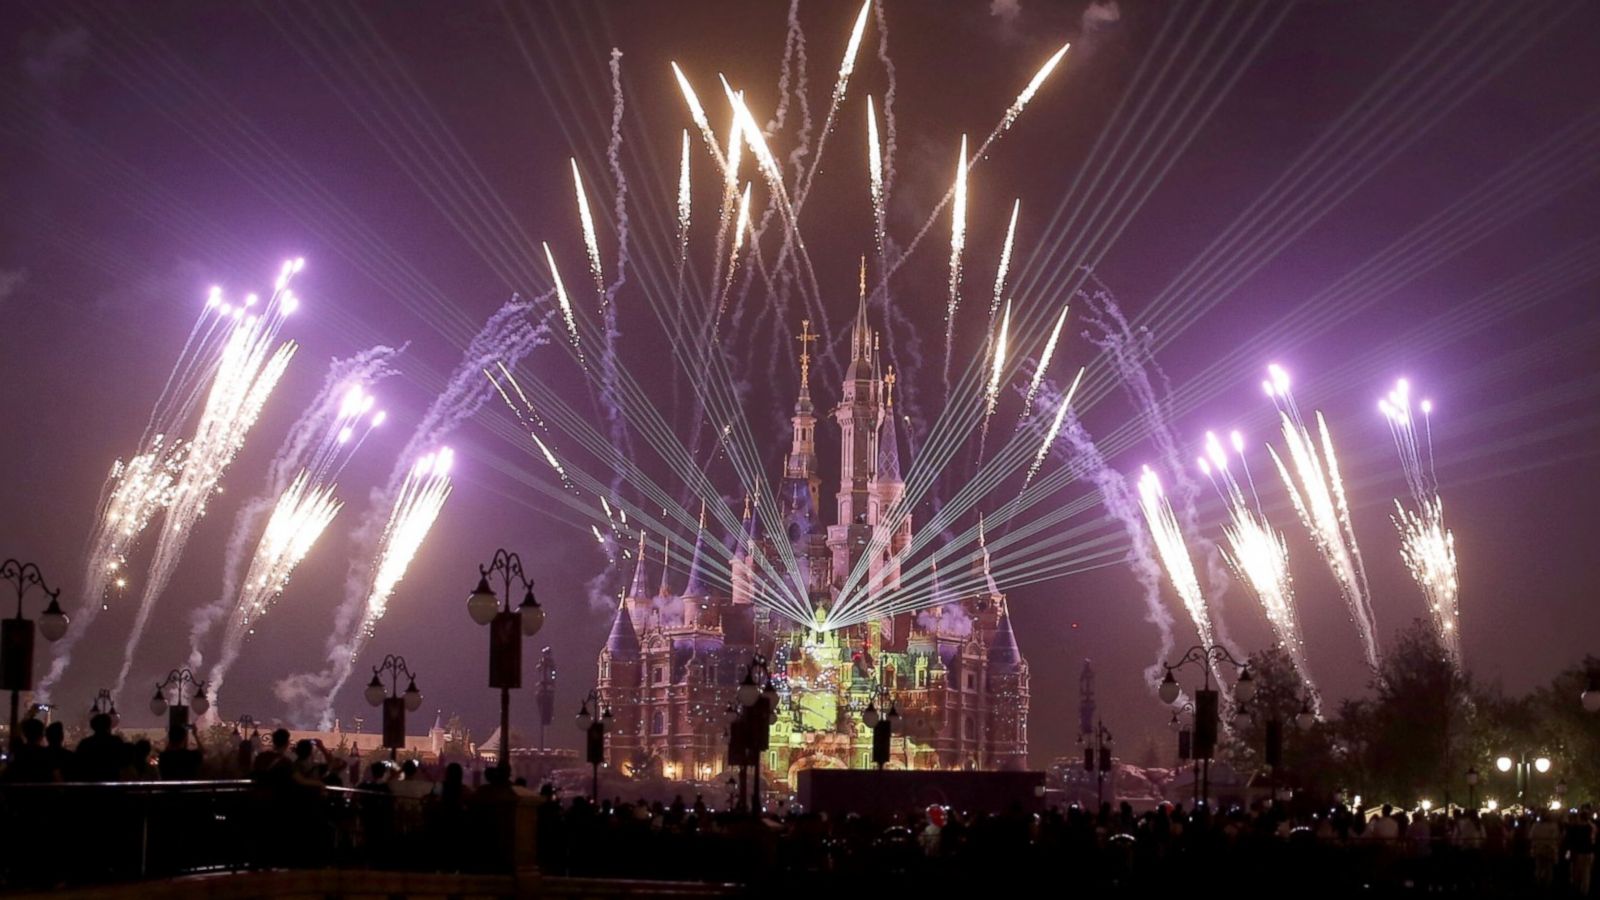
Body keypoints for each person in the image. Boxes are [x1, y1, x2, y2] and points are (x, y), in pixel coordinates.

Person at [73, 713, 126, 782]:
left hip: (91, 783)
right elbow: (123, 761)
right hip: (112, 781)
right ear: (109, 725)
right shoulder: (116, 742)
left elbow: (78, 763)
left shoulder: (86, 743)